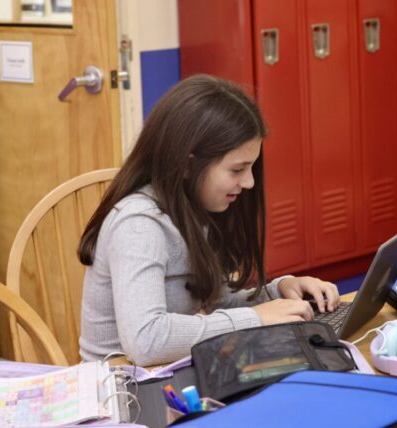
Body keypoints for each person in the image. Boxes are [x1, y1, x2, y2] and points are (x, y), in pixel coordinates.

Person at [78, 75, 340, 366]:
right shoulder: (139, 225)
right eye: (237, 169)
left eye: (251, 168)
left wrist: (279, 291)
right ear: (188, 164)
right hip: (121, 390)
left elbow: (221, 303)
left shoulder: (192, 208)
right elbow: (146, 341)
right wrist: (254, 319)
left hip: (166, 372)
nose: (250, 182)